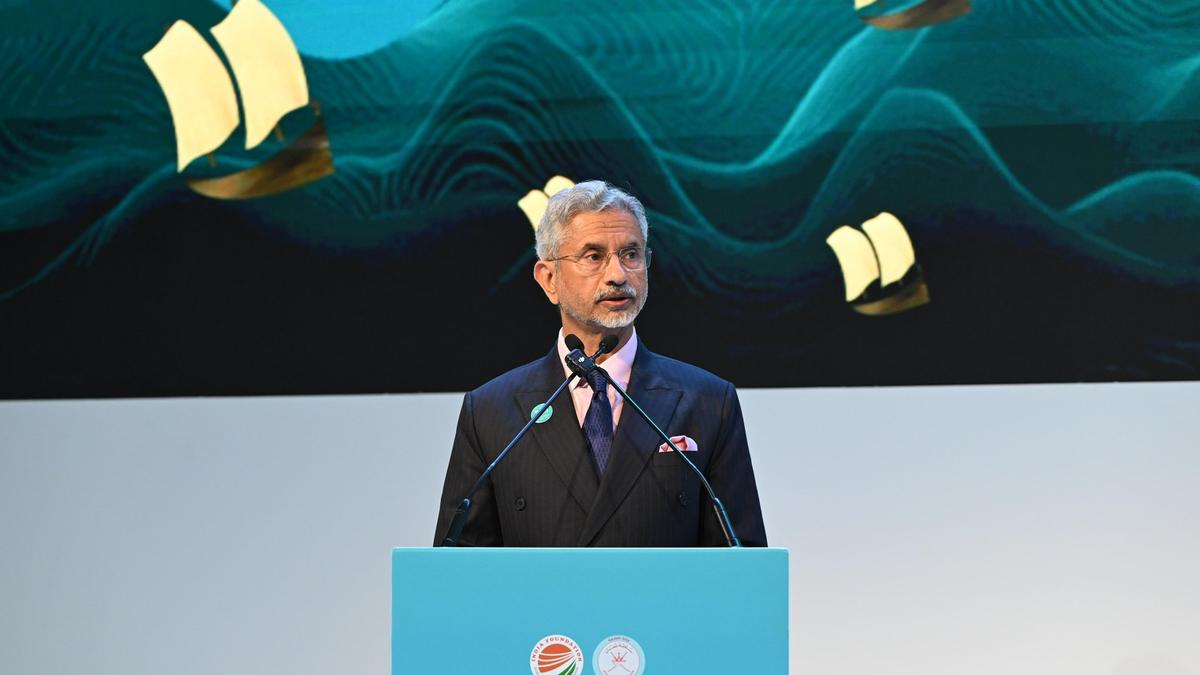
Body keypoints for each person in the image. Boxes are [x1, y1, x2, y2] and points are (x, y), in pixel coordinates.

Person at [434, 180, 767, 546]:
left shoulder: (708, 402)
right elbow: (459, 564)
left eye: (631, 254)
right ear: (549, 279)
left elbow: (742, 561)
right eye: (593, 257)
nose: (618, 275)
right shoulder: (491, 412)